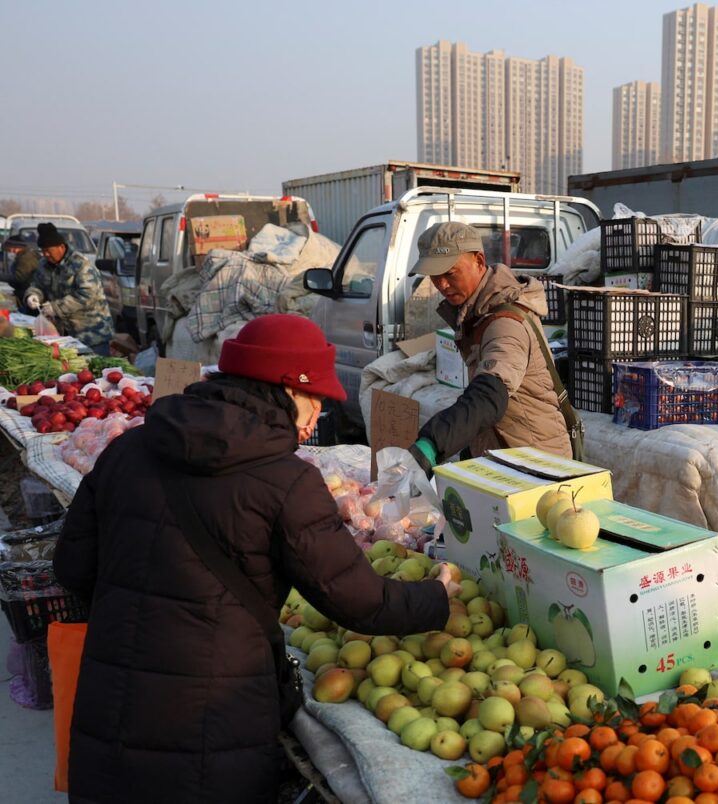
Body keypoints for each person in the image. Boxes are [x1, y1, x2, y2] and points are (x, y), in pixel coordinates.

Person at [54, 314, 456, 804]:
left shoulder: (128, 449)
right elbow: (359, 601)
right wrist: (436, 597)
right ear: (284, 389)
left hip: (110, 710)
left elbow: (72, 568)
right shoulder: (286, 482)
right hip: (216, 726)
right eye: (314, 399)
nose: (316, 417)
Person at [407, 221, 573, 470]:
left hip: (539, 467)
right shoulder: (478, 313)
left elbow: (489, 395)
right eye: (434, 276)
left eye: (450, 273)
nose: (441, 285)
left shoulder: (506, 324)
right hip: (510, 459)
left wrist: (432, 443)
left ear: (479, 261)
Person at [25, 222, 113, 355]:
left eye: (48, 250)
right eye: (43, 251)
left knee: (97, 366)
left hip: (91, 333)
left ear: (61, 247)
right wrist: (33, 295)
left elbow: (88, 295)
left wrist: (56, 308)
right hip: (63, 335)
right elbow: (37, 285)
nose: (46, 254)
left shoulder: (80, 264)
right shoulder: (44, 265)